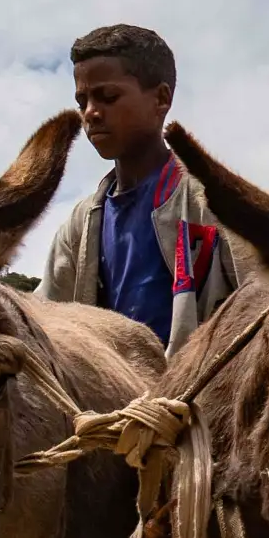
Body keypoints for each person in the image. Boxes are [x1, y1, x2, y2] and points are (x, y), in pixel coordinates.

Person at [39, 24, 246, 355]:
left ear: (161, 99)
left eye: (108, 97)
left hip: (193, 397)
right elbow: (43, 318)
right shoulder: (82, 223)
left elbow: (265, 302)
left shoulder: (208, 200)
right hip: (110, 398)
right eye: (82, 101)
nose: (90, 113)